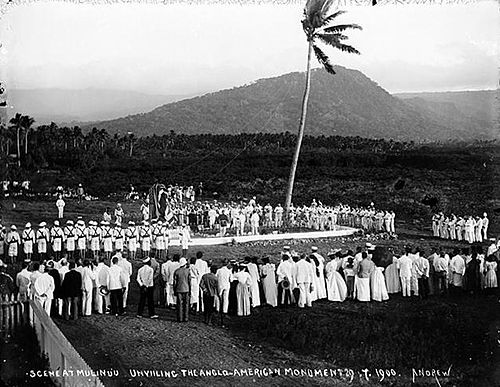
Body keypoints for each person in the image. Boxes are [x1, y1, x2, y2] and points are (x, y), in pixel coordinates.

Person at [173, 257, 190, 322]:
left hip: (179, 289)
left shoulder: (176, 271)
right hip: (186, 289)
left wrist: (174, 290)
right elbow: (189, 281)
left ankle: (179, 318)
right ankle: (186, 318)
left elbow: (175, 282)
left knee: (179, 304)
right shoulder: (188, 271)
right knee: (186, 304)